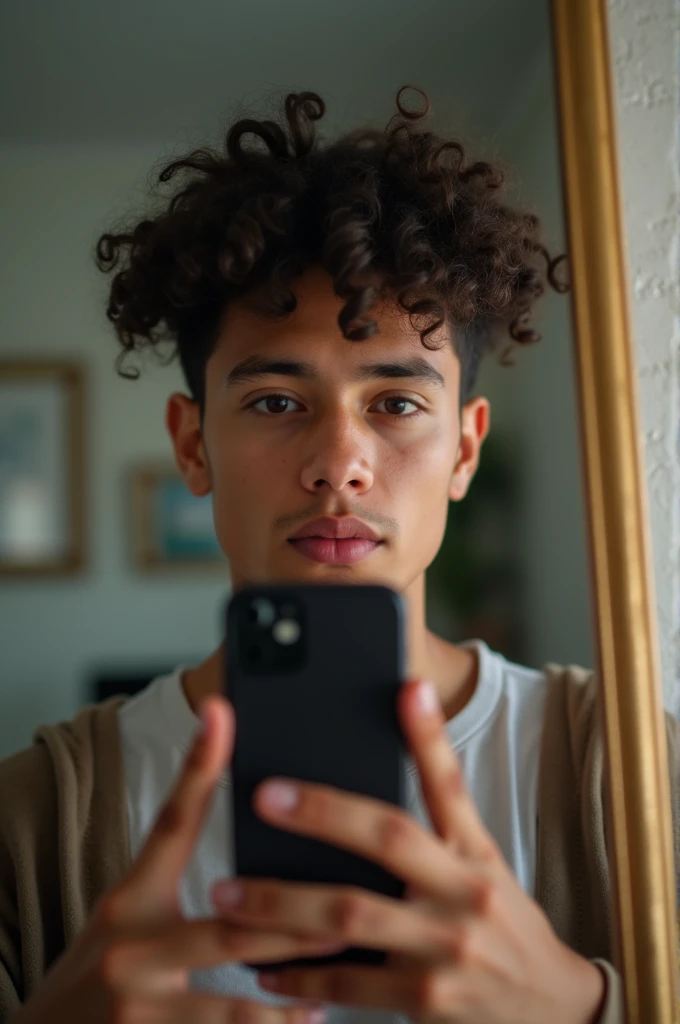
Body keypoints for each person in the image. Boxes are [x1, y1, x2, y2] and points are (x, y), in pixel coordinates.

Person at [1, 86, 678, 1024]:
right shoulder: (31, 822)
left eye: (396, 405)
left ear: (465, 451)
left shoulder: (637, 775)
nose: (337, 468)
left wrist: (583, 1007)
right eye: (278, 401)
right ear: (193, 445)